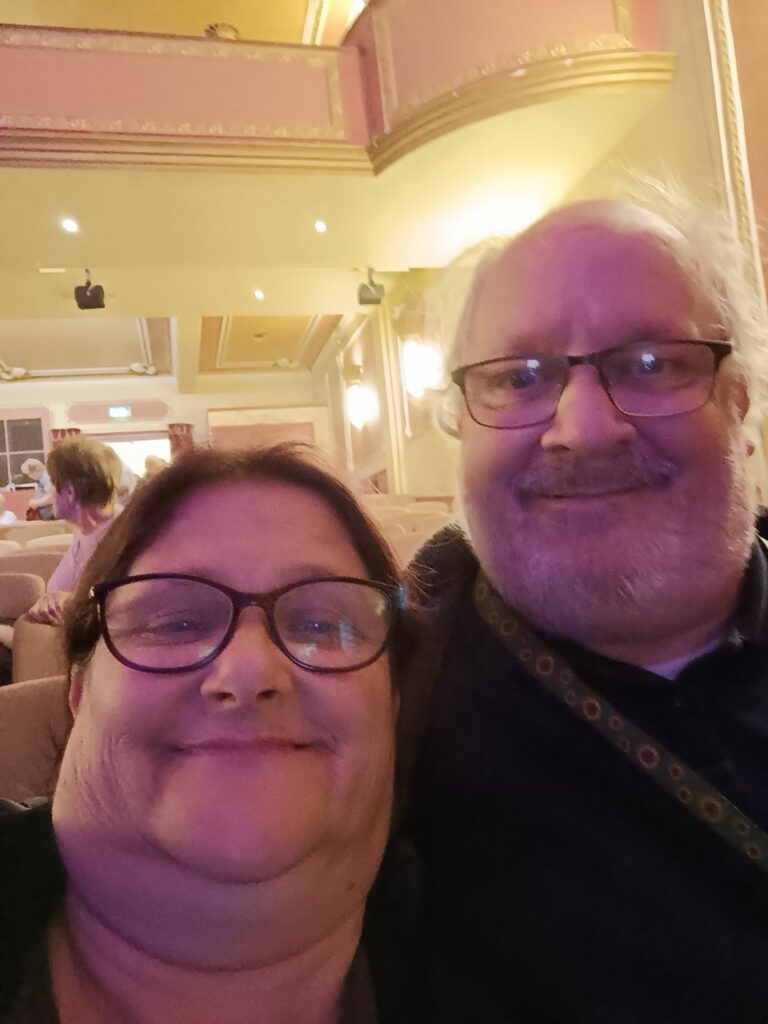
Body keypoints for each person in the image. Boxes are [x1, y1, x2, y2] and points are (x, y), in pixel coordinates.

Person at [389, 196, 768, 1022]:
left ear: (739, 404)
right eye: (519, 377)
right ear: (461, 427)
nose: (587, 429)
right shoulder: (377, 716)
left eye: (652, 363)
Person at [0, 444, 421, 1023]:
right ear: (78, 692)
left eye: (322, 625)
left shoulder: (522, 969)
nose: (249, 670)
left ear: (392, 703)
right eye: (176, 622)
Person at [25, 436, 120, 627]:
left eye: (53, 485)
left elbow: (123, 610)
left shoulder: (125, 533)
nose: (50, 493)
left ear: (70, 492)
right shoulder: (85, 531)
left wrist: (73, 603)